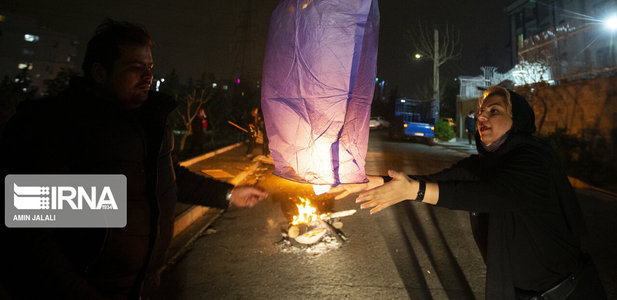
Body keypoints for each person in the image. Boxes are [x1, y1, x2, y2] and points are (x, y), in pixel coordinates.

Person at [0, 20, 267, 299]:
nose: (148, 76)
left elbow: (167, 179)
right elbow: (29, 232)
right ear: (99, 72)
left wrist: (228, 193)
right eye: (135, 68)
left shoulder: (149, 122)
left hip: (143, 287)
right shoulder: (57, 127)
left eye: (149, 68)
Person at [332, 86, 606, 299]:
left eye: (494, 111)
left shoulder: (534, 159)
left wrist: (415, 192)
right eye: (480, 111)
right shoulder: (486, 164)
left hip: (568, 293)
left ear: (517, 119)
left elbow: (493, 195)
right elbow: (437, 180)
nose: (481, 117)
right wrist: (376, 181)